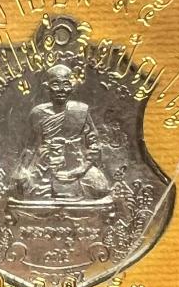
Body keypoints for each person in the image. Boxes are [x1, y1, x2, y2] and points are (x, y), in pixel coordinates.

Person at [14, 64, 109, 200]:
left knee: (100, 188)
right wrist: (22, 170)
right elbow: (30, 146)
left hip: (76, 164)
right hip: (45, 164)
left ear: (72, 87)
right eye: (55, 84)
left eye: (66, 84)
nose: (61, 89)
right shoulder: (37, 113)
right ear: (47, 87)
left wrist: (82, 169)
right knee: (22, 188)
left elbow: (94, 145)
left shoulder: (80, 110)